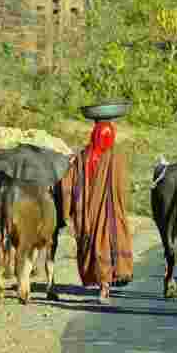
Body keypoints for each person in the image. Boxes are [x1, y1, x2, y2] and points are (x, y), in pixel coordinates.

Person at [61, 117, 134, 304]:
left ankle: (103, 285)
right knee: (108, 244)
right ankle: (105, 287)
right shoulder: (117, 157)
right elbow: (123, 186)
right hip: (111, 212)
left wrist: (67, 211)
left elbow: (67, 184)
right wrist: (121, 206)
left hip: (88, 214)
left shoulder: (82, 157)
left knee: (95, 245)